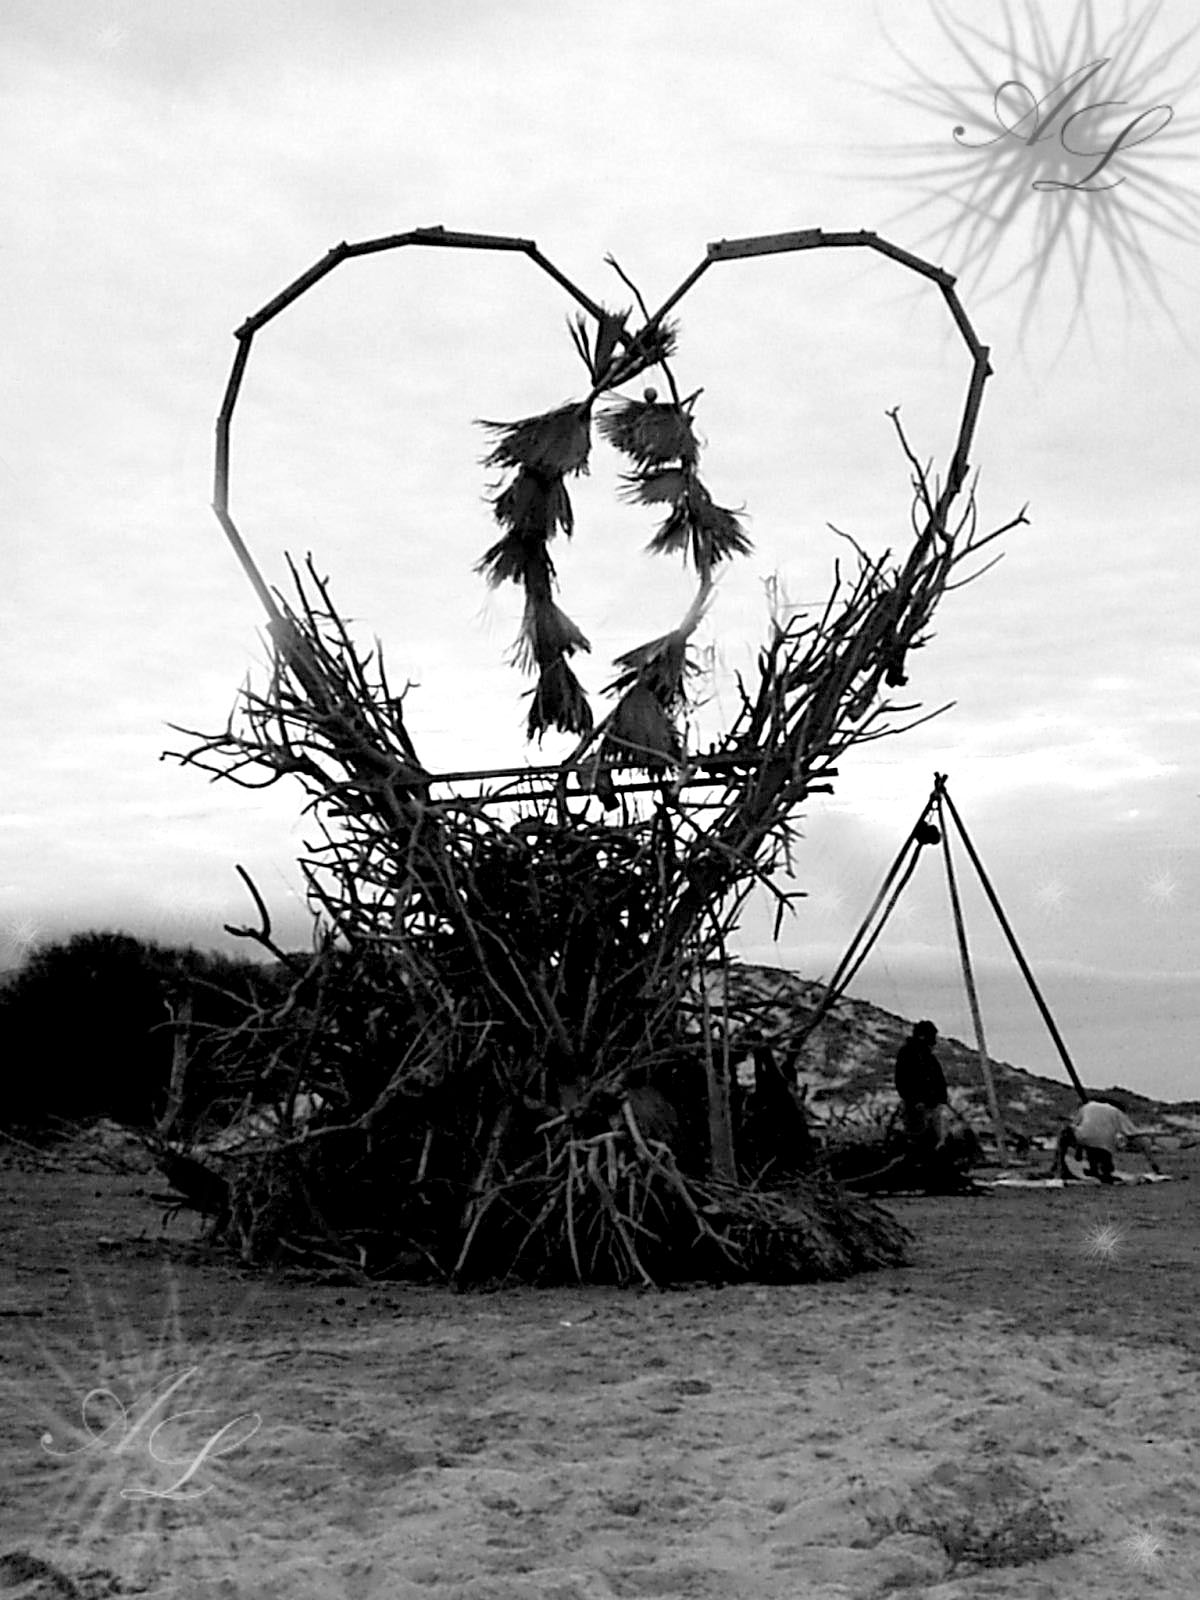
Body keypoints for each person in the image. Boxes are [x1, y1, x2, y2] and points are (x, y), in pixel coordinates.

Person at [1053, 1097, 1162, 1184]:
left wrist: (1078, 1154)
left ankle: (1059, 1168)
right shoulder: (1117, 1112)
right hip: (1105, 1146)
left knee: (1069, 1134)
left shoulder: (1087, 1106)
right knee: (1102, 1160)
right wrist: (1153, 1163)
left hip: (1084, 1139)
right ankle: (1102, 1171)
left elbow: (1076, 1126)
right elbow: (1134, 1135)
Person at [894, 1020, 949, 1150]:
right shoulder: (908, 1054)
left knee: (934, 1139)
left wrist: (942, 1099)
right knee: (918, 1138)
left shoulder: (929, 1057)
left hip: (932, 1105)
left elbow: (939, 1080)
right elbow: (902, 1080)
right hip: (916, 1106)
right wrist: (914, 1100)